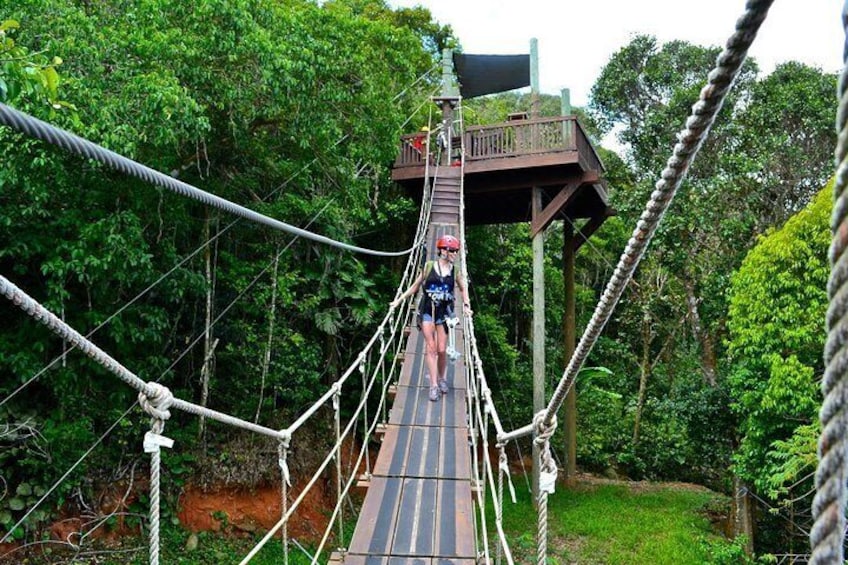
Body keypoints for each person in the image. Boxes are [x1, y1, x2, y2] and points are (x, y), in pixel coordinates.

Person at [391, 235, 471, 402]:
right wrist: (399, 300)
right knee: (431, 348)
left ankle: (442, 378)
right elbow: (415, 286)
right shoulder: (428, 267)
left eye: (456, 251)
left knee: (442, 350)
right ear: (443, 251)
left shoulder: (455, 271)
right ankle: (433, 385)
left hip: (444, 313)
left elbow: (464, 289)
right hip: (427, 312)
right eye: (453, 251)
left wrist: (466, 305)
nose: (455, 254)